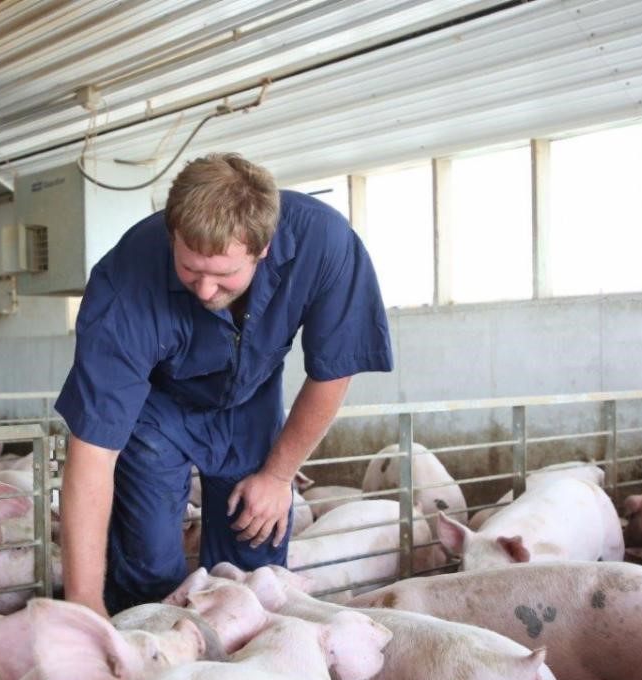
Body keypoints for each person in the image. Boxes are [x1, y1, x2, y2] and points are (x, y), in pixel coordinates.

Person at [55, 153, 392, 616]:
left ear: (264, 247)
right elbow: (93, 448)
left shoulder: (325, 243)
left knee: (253, 556)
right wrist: (83, 601)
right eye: (190, 270)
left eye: (224, 275)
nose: (206, 291)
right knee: (149, 562)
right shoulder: (124, 283)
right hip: (155, 412)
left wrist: (278, 476)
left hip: (251, 404)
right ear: (172, 234)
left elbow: (332, 370)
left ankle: (242, 675)